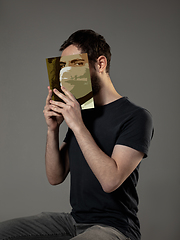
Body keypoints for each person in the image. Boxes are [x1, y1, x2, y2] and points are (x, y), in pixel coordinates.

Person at [0, 29, 153, 240]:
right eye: (63, 68)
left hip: (115, 228)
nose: (66, 75)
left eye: (74, 65)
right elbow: (55, 176)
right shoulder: (83, 112)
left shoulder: (136, 116)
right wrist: (53, 129)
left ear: (100, 64)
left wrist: (78, 125)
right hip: (74, 221)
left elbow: (110, 181)